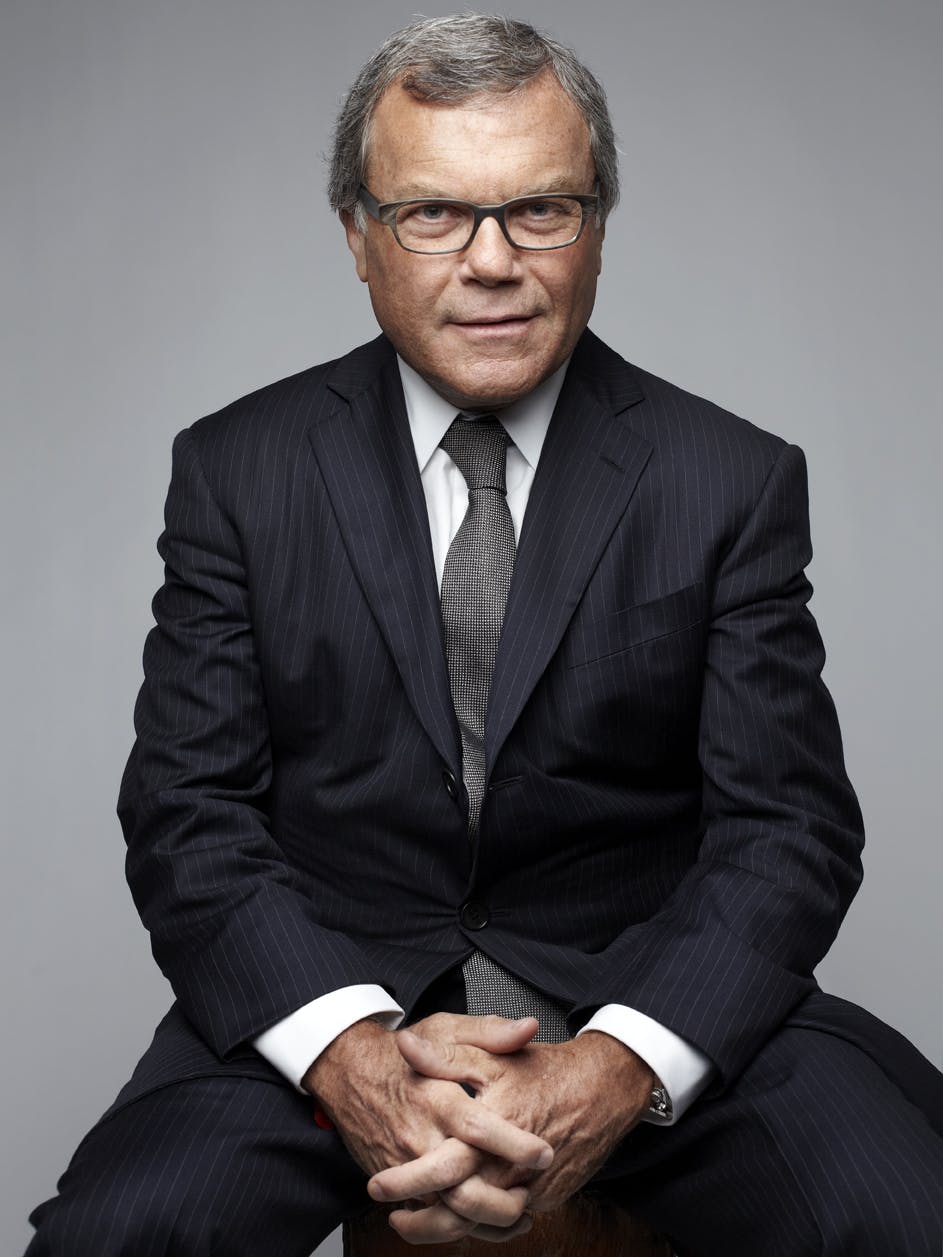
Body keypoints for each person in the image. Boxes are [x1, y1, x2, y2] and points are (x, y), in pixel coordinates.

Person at [25, 14, 943, 1257]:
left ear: (597, 226)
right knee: (123, 1236)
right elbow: (189, 815)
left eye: (540, 210)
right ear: (357, 235)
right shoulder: (239, 470)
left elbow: (789, 830)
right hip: (332, 1004)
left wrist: (618, 1063)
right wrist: (350, 1054)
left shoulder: (727, 478)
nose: (492, 261)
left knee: (903, 1211)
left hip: (645, 1001)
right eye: (434, 214)